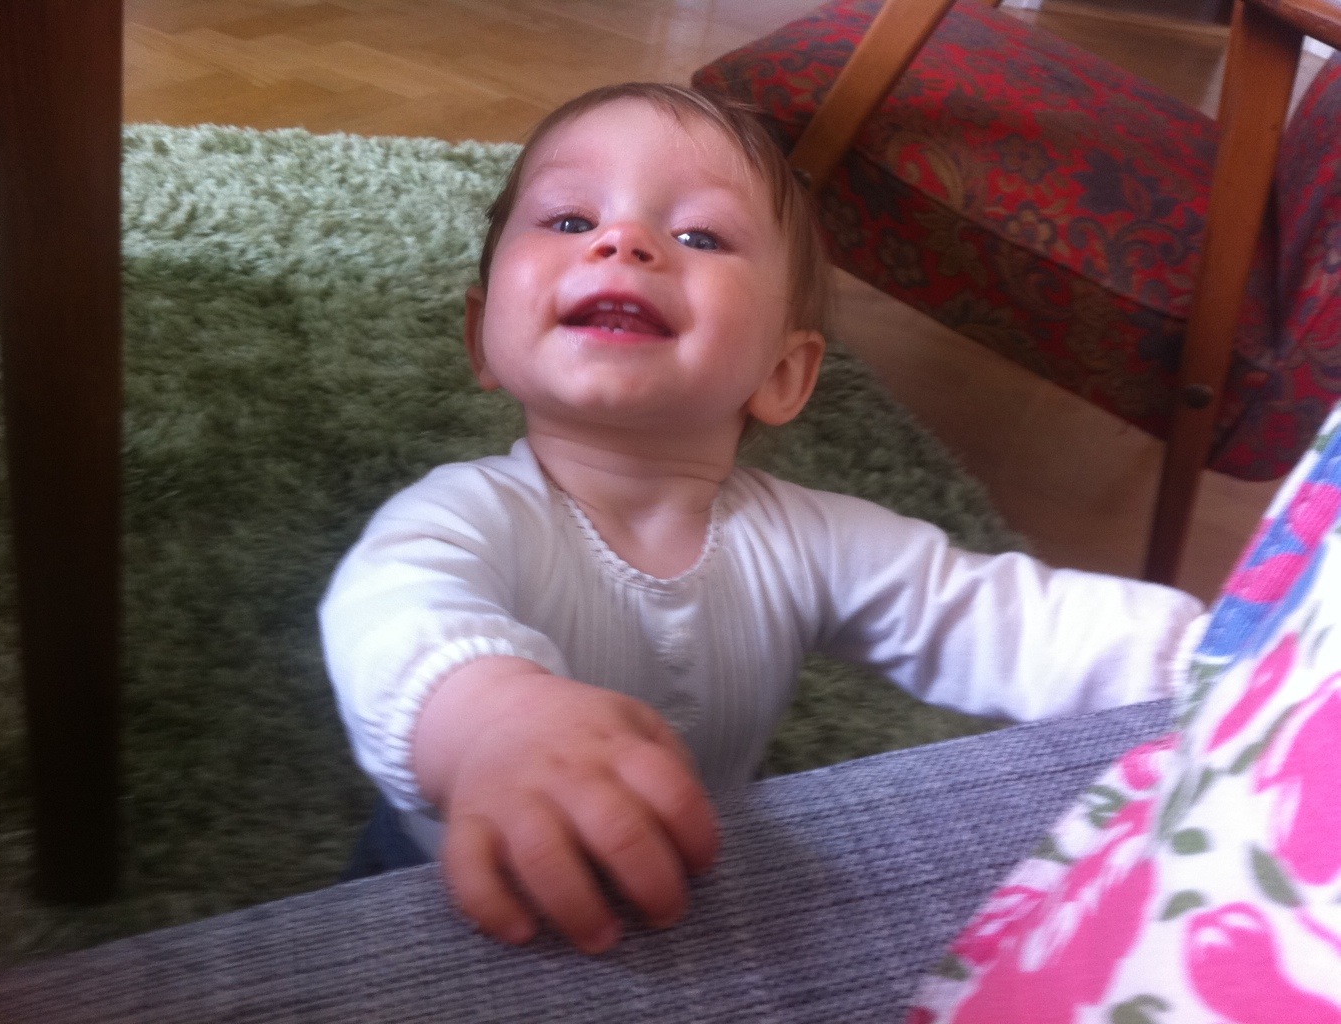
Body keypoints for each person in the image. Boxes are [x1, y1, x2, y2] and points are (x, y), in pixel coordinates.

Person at [319, 82, 1204, 957]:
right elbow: (394, 608)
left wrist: (1204, 661)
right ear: (482, 335)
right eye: (568, 219)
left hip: (685, 887)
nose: (621, 242)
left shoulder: (812, 541)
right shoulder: (466, 514)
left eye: (699, 236)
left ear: (784, 374)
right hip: (454, 883)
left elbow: (995, 617)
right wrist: (489, 723)